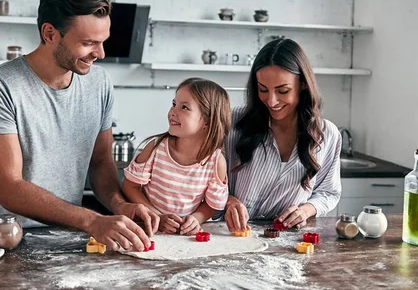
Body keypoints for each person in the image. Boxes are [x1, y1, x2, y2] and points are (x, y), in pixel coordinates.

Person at [0, 0, 159, 252]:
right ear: (49, 34)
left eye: (102, 41)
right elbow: (10, 188)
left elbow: (100, 163)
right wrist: (93, 220)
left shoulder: (99, 82)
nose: (101, 53)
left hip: (69, 239)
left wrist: (122, 206)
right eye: (88, 43)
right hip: (6, 241)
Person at [223, 38, 342, 232]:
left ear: (303, 84)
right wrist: (229, 201)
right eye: (263, 89)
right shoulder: (233, 123)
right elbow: (203, 181)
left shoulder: (328, 135)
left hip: (288, 240)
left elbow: (328, 192)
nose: (271, 100)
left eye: (283, 90)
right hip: (232, 236)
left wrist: (306, 210)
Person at [122, 78, 231, 235]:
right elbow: (129, 186)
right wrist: (157, 217)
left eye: (184, 107)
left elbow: (212, 204)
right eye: (174, 104)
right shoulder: (155, 148)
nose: (173, 112)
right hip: (148, 230)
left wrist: (196, 218)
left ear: (207, 121)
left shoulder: (216, 162)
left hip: (183, 237)